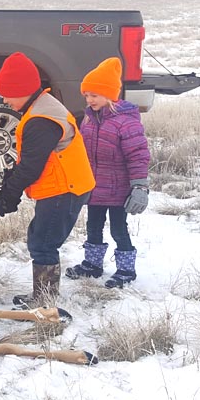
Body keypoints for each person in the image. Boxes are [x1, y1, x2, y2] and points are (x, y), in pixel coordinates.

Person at [0, 52, 95, 306]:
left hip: (64, 190)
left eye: (7, 93)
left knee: (43, 243)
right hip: (63, 186)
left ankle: (45, 302)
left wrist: (10, 192)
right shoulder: (41, 106)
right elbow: (31, 161)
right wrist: (10, 185)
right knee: (40, 238)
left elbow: (31, 167)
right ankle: (44, 297)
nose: (4, 100)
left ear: (22, 90)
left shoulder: (41, 119)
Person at [65, 57, 150, 288]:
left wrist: (140, 186)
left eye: (94, 95)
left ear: (110, 95)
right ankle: (92, 265)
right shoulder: (89, 120)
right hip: (94, 188)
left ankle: (126, 269)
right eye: (86, 95)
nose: (89, 99)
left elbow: (138, 155)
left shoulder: (125, 122)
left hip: (119, 189)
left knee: (118, 229)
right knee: (93, 226)